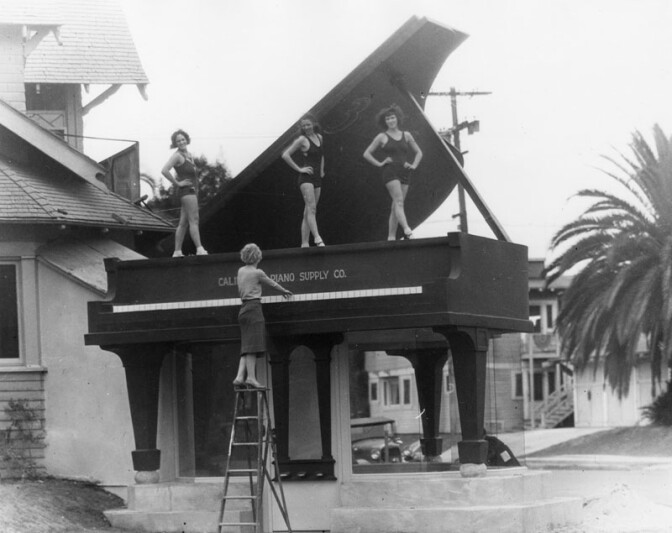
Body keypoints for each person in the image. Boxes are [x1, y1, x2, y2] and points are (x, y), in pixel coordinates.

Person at [234, 243, 292, 388]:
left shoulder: (240, 271)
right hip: (254, 308)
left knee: (247, 344)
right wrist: (284, 290)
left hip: (243, 309)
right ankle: (251, 378)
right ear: (257, 257)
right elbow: (272, 283)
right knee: (252, 346)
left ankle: (239, 376)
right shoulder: (257, 272)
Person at [363, 104, 423, 240]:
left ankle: (391, 237)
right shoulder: (381, 136)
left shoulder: (406, 135)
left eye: (392, 117)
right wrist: (380, 163)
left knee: (396, 206)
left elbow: (419, 152)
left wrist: (414, 165)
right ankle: (407, 230)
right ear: (385, 122)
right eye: (387, 119)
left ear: (397, 118)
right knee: (399, 201)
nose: (390, 120)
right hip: (390, 172)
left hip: (405, 171)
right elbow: (366, 153)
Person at [281, 114, 326, 247]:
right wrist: (299, 169)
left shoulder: (320, 137)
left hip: (317, 177)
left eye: (308, 124)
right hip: (306, 178)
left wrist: (322, 170)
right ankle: (318, 238)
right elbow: (285, 155)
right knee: (311, 209)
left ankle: (304, 243)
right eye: (304, 125)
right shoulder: (302, 139)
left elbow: (321, 155)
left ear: (314, 124)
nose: (306, 127)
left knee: (308, 211)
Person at [161, 129, 208, 257]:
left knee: (183, 222)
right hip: (187, 191)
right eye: (178, 141)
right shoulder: (177, 156)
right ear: (175, 143)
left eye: (183, 139)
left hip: (192, 192)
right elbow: (164, 170)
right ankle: (199, 249)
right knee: (194, 220)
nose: (181, 142)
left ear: (187, 139)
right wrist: (178, 183)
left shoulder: (189, 155)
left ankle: (177, 251)